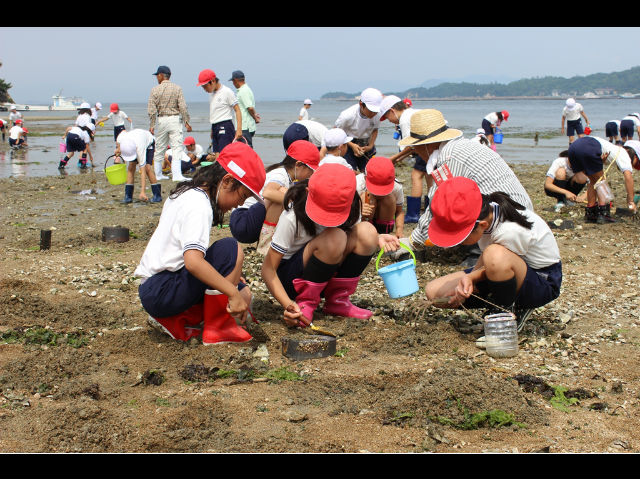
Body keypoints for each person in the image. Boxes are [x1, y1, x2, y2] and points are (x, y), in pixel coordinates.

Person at [134, 142, 266, 345]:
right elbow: (193, 263)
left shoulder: (187, 193)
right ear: (227, 181)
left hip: (155, 288)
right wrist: (231, 292)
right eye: (243, 196)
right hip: (163, 289)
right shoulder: (199, 204)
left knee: (243, 290)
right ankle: (218, 328)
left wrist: (235, 286)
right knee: (231, 249)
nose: (240, 204)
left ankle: (181, 319)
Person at [261, 163, 400, 329]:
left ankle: (338, 300)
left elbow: (354, 239)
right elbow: (268, 270)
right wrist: (288, 305)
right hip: (292, 280)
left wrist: (378, 237)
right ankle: (306, 303)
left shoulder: (353, 206)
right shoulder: (293, 216)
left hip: (325, 272)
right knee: (336, 236)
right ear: (308, 193)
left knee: (368, 232)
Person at [423, 176, 562, 333]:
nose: (458, 243)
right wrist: (470, 284)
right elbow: (488, 259)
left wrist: (471, 278)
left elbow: (494, 259)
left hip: (541, 281)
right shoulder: (486, 213)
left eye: (460, 237)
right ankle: (499, 301)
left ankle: (507, 311)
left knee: (494, 255)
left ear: (481, 226)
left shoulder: (509, 230)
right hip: (501, 270)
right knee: (433, 292)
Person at [395, 109, 532, 259]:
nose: (415, 152)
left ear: (426, 145)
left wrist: (413, 242)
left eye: (415, 147)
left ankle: (476, 254)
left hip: (512, 218)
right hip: (520, 210)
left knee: (453, 209)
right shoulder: (461, 146)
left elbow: (437, 203)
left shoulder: (450, 158)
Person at [229, 140, 319, 253]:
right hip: (242, 221)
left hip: (248, 220)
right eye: (310, 170)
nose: (311, 174)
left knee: (287, 193)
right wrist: (297, 202)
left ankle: (271, 242)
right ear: (298, 165)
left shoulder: (285, 175)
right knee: (284, 193)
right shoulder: (280, 174)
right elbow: (268, 193)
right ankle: (265, 247)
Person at [378, 94, 427, 224]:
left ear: (393, 111)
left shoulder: (404, 119)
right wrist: (398, 159)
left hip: (429, 147)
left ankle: (413, 214)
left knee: (416, 176)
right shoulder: (412, 112)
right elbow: (413, 148)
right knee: (430, 178)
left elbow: (410, 147)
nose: (388, 120)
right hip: (434, 145)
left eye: (387, 116)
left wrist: (394, 158)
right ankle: (429, 211)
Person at [568, 136, 638, 223]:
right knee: (601, 180)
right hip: (589, 146)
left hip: (573, 148)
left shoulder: (612, 148)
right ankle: (603, 213)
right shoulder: (624, 154)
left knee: (592, 180)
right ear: (634, 156)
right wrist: (631, 201)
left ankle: (591, 213)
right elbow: (628, 177)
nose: (633, 167)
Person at [148, 65, 193, 182]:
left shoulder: (154, 90)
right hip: (174, 119)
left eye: (157, 75)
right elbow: (182, 106)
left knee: (160, 147)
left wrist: (152, 125)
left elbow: (152, 110)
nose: (157, 78)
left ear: (161, 75)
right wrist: (187, 122)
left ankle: (158, 174)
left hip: (162, 120)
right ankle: (177, 175)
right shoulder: (177, 88)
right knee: (176, 147)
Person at [197, 69, 243, 158]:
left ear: (213, 81)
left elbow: (237, 110)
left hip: (225, 126)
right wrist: (212, 129)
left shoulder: (227, 92)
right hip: (215, 126)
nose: (205, 90)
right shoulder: (211, 94)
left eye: (205, 86)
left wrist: (239, 129)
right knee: (217, 156)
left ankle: (228, 171)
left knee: (225, 155)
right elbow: (214, 112)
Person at [334, 87, 383, 172]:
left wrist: (370, 145)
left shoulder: (378, 115)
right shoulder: (347, 115)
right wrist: (352, 145)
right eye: (371, 111)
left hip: (366, 143)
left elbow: (375, 129)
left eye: (376, 111)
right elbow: (336, 132)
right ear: (361, 104)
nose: (373, 114)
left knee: (368, 171)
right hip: (348, 142)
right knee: (350, 171)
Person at [357, 156, 405, 238]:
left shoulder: (396, 186)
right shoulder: (357, 184)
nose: (379, 194)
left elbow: (399, 211)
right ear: (365, 178)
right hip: (364, 223)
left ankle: (383, 232)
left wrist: (399, 230)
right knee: (367, 196)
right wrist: (358, 209)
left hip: (384, 220)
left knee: (389, 198)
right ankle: (366, 233)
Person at [115, 128, 162, 204]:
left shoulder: (140, 148)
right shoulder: (121, 138)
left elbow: (142, 171)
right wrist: (118, 148)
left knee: (147, 168)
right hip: (134, 142)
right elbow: (123, 132)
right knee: (131, 167)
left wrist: (142, 192)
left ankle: (157, 196)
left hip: (148, 142)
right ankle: (128, 196)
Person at [230, 70, 260, 148]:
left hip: (244, 127)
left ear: (236, 80)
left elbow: (249, 108)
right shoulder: (245, 90)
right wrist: (255, 115)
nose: (233, 84)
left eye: (233, 81)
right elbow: (250, 107)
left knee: (246, 150)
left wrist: (255, 118)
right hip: (244, 126)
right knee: (242, 149)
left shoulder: (243, 91)